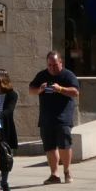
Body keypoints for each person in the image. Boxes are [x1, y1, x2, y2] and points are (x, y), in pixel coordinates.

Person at [29, 51, 79, 184]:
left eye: (55, 65)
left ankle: (67, 171)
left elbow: (75, 92)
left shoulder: (68, 75)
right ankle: (54, 175)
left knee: (64, 145)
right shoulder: (42, 75)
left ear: (61, 63)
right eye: (50, 65)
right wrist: (39, 89)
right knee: (50, 147)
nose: (52, 68)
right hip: (46, 118)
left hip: (63, 118)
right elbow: (31, 89)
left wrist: (60, 89)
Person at [0, 69, 20, 191]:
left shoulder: (12, 94)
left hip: (5, 129)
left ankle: (4, 182)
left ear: (1, 79)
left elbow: (9, 110)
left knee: (5, 156)